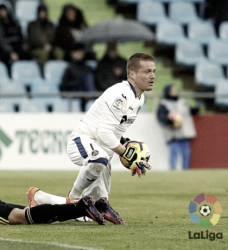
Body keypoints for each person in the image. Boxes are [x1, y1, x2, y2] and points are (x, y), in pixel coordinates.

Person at [27, 53, 155, 225]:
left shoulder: (139, 98)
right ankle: (73, 197)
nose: (152, 76)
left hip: (101, 148)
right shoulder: (121, 95)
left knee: (87, 208)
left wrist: (126, 146)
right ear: (132, 74)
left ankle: (39, 197)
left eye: (154, 71)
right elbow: (103, 133)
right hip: (82, 140)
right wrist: (128, 154)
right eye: (147, 71)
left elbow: (114, 129)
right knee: (100, 158)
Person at [157, 84, 198, 170]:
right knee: (174, 153)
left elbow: (189, 110)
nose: (175, 92)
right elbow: (160, 116)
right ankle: (173, 171)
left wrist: (196, 109)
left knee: (186, 153)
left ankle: (185, 170)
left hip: (184, 133)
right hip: (173, 135)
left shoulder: (182, 102)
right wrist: (169, 121)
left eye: (176, 90)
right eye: (173, 90)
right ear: (168, 92)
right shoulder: (164, 104)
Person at [0, 4, 30, 71]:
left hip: (17, 47)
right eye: (1, 11)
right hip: (5, 50)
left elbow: (21, 36)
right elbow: (0, 41)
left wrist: (24, 43)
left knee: (27, 54)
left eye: (4, 10)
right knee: (8, 59)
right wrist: (10, 52)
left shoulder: (14, 23)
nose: (3, 13)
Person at [27, 4, 62, 75]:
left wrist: (50, 45)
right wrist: (43, 45)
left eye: (44, 12)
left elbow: (54, 38)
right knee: (43, 53)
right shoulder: (32, 25)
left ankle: (58, 73)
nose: (43, 14)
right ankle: (43, 74)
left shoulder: (50, 25)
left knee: (59, 52)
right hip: (36, 48)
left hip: (50, 47)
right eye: (41, 12)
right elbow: (33, 40)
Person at [59, 43, 95, 111]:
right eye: (77, 52)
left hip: (86, 94)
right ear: (72, 54)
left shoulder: (88, 68)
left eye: (81, 51)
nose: (80, 54)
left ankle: (91, 96)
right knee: (87, 77)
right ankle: (92, 96)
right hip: (76, 93)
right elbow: (64, 85)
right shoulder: (69, 68)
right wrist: (78, 84)